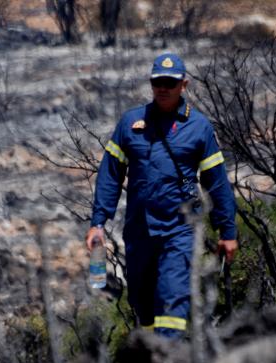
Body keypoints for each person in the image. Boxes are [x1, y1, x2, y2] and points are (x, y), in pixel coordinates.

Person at [86, 53, 238, 338]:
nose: (163, 88)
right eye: (158, 82)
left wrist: (227, 232)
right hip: (139, 231)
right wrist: (98, 223)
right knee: (141, 303)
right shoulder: (131, 123)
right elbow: (110, 175)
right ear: (151, 83)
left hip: (179, 231)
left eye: (170, 82)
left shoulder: (199, 127)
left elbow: (217, 183)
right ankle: (152, 354)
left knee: (172, 299)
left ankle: (168, 357)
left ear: (184, 85)